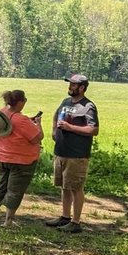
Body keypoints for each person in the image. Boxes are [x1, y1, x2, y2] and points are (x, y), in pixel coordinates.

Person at [45, 73, 99, 233]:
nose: (70, 86)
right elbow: (56, 115)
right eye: (70, 83)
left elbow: (93, 129)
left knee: (76, 187)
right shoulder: (66, 101)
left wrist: (70, 128)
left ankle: (75, 222)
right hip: (61, 151)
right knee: (64, 186)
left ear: (82, 88)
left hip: (77, 154)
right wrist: (54, 130)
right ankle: (65, 217)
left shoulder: (88, 106)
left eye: (74, 84)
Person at [0, 90, 44, 227]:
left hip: (1, 158)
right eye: (24, 100)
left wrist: (28, 122)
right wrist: (38, 124)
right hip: (21, 161)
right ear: (19, 102)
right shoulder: (22, 120)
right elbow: (37, 137)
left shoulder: (2, 113)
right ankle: (8, 221)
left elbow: (13, 125)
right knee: (14, 190)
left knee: (0, 186)